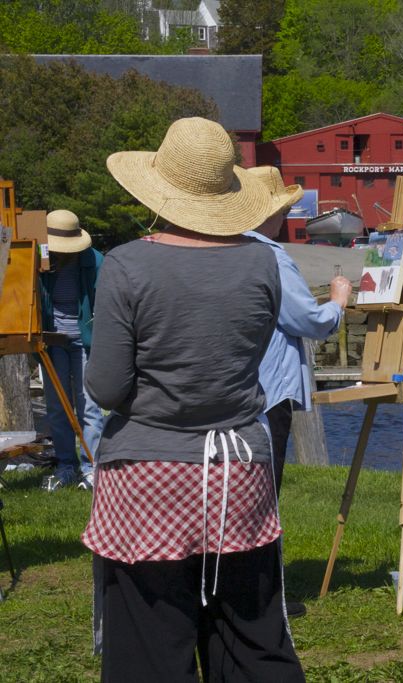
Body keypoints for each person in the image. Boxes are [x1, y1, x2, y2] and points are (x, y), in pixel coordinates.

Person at [82, 117, 304, 682]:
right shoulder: (262, 262)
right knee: (249, 634)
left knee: (149, 640)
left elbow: (105, 387)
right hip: (237, 467)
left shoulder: (128, 264)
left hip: (149, 468)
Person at [246, 166, 352, 617]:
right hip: (269, 393)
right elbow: (307, 320)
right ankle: (263, 595)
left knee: (242, 492)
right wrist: (338, 300)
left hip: (238, 389)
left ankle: (241, 587)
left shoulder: (231, 248)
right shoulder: (269, 254)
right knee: (264, 495)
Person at [38, 210, 104, 492]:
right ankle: (66, 465)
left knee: (89, 406)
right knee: (57, 405)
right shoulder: (39, 261)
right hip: (53, 341)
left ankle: (92, 468)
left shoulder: (94, 261)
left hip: (85, 340)